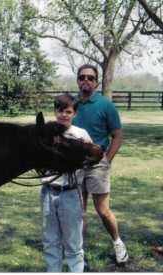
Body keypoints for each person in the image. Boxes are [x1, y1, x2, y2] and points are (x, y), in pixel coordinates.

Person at [72, 64, 128, 264]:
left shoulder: (105, 105)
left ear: (96, 82)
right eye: (82, 77)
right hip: (74, 165)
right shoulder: (72, 104)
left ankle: (118, 243)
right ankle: (79, 253)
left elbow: (117, 136)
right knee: (79, 212)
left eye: (90, 77)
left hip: (97, 165)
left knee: (103, 210)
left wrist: (107, 160)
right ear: (77, 80)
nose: (85, 80)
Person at [40, 93, 92, 272]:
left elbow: (90, 161)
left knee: (73, 243)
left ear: (75, 113)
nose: (63, 115)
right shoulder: (46, 134)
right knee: (50, 240)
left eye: (68, 111)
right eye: (60, 110)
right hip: (48, 191)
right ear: (55, 111)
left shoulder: (80, 135)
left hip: (70, 192)